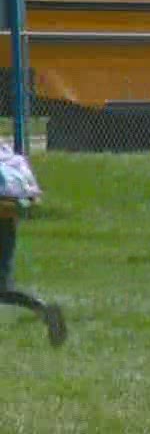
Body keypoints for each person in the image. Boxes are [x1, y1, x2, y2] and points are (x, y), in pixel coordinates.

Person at [0, 139, 66, 345]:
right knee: (2, 287)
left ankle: (44, 310)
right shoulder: (6, 151)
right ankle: (44, 309)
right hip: (6, 219)